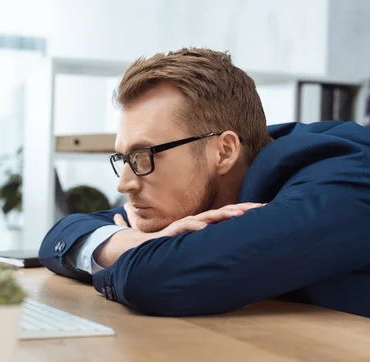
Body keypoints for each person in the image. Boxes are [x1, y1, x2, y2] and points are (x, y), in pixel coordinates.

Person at [38, 48, 370, 318]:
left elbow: (156, 278)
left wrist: (144, 252)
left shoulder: (342, 181)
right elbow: (63, 236)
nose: (125, 183)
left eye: (143, 156)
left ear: (224, 151)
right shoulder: (205, 190)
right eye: (125, 159)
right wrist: (126, 243)